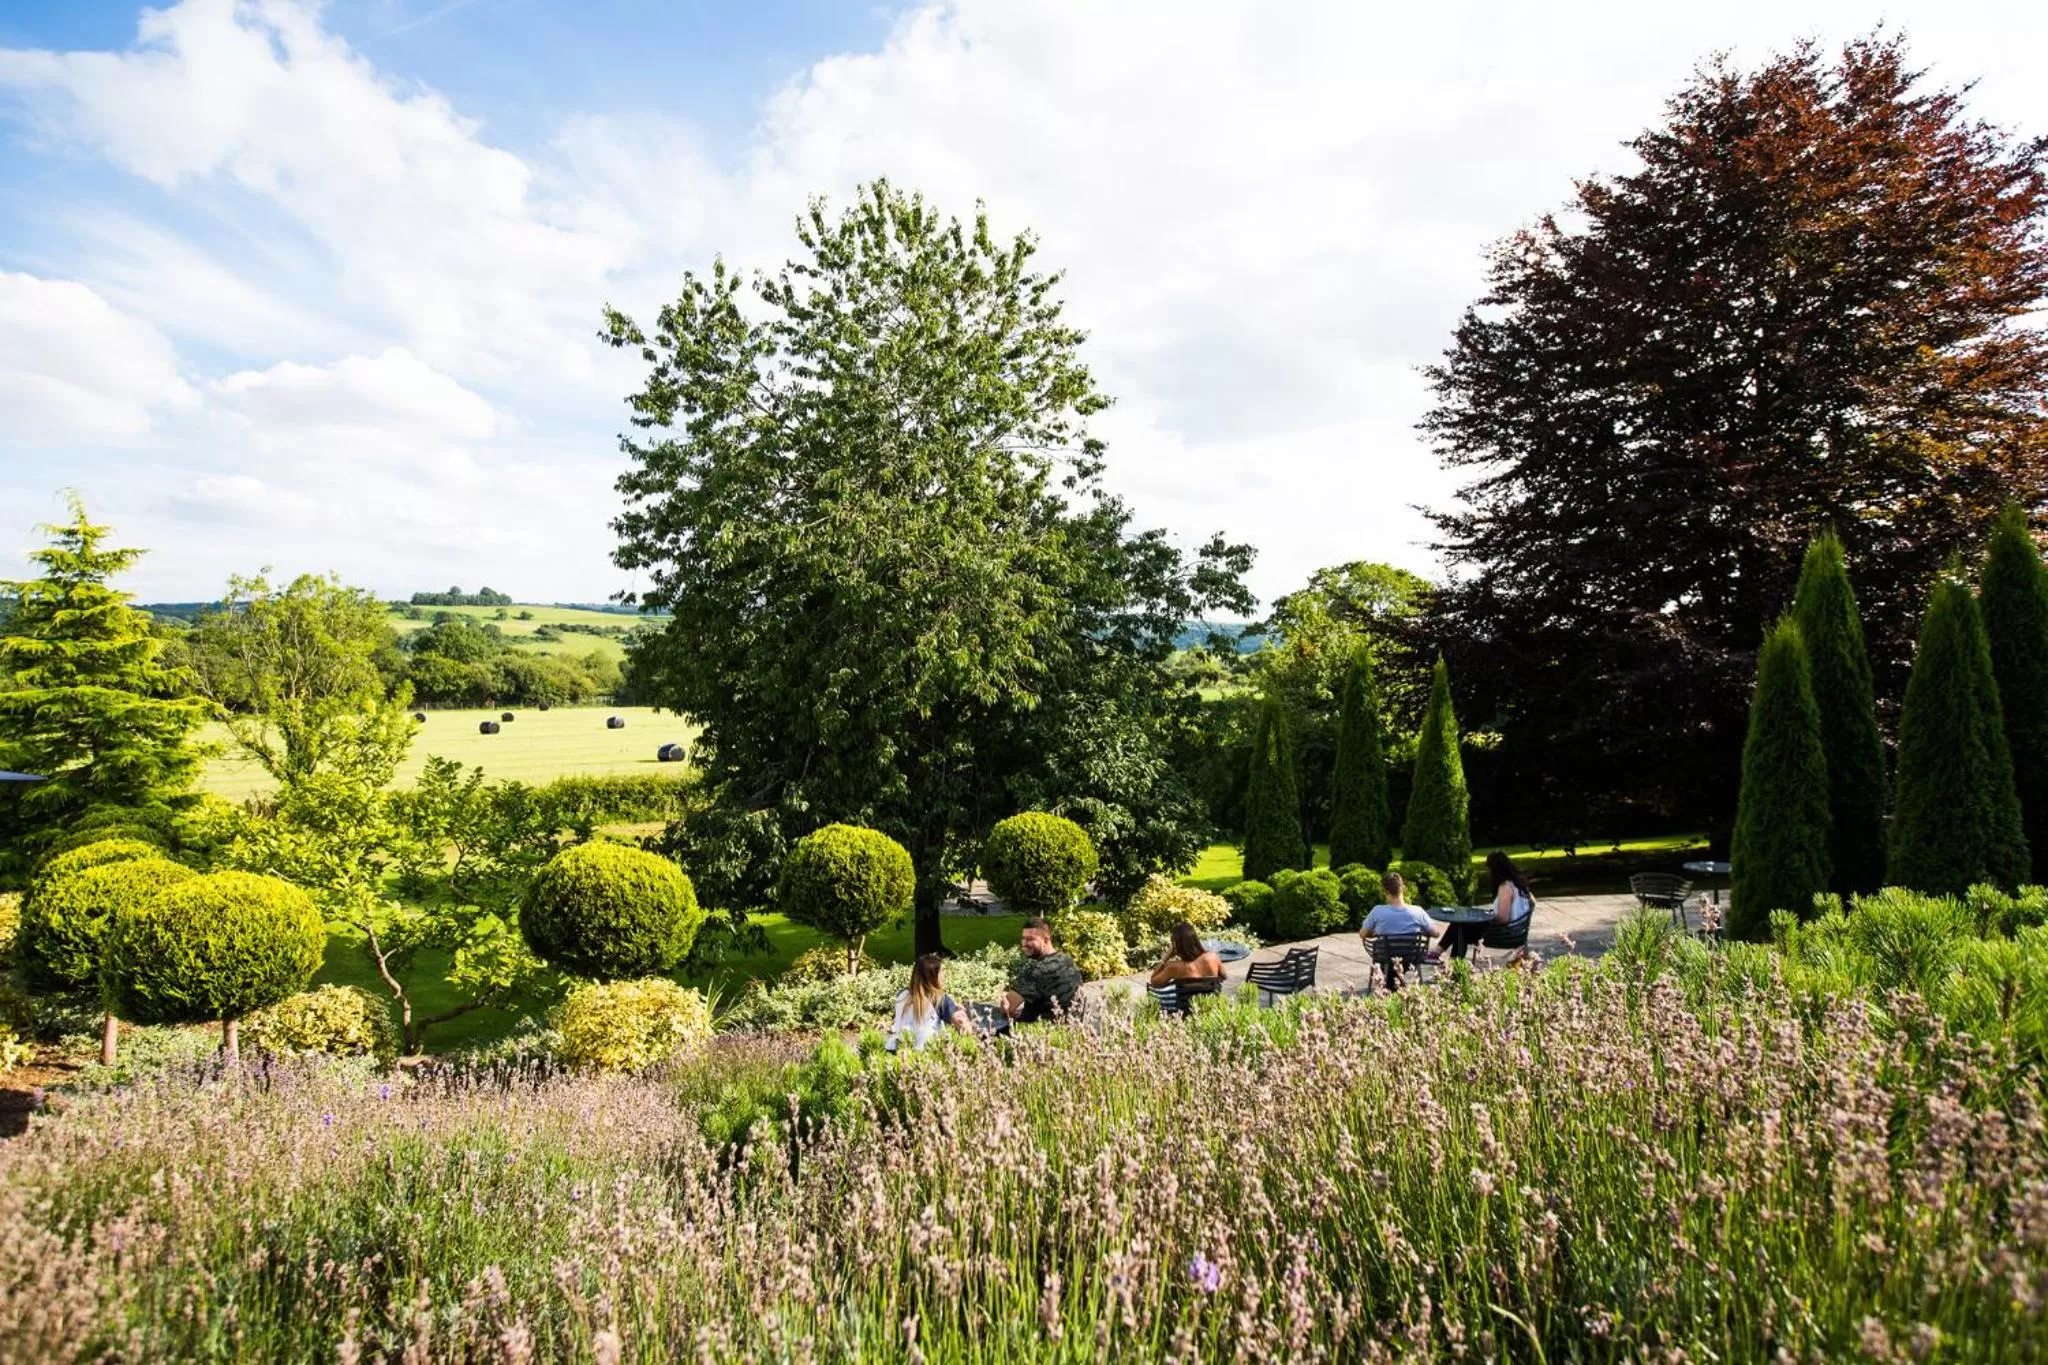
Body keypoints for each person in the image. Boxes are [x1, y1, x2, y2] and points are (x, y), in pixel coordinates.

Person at [1441, 850, 1535, 961]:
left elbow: (1503, 918)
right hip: (1515, 931)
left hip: (1504, 934)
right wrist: (1524, 916)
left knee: (1459, 927)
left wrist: (1487, 917)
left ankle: (1448, 961)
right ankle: (1446, 958)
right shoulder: (1519, 884)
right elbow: (1533, 902)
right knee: (1459, 928)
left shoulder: (1505, 887)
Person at [1358, 870, 1438, 989]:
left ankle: (1391, 986)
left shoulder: (1378, 911)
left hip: (1385, 956)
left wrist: (1375, 933)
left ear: (1385, 891)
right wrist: (1420, 931)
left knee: (1385, 953)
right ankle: (1398, 985)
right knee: (1405, 953)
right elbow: (1436, 933)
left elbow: (1362, 934)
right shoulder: (1417, 911)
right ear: (1403, 889)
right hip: (1410, 956)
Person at [1000, 917, 1084, 1023]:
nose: (1024, 943)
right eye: (1023, 938)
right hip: (1072, 1028)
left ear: (1046, 940)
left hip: (1040, 1033)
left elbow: (1007, 1008)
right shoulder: (1067, 959)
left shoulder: (1037, 970)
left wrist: (1003, 997)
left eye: (1030, 939)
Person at [887, 953, 972, 1052]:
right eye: (942, 971)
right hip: (925, 1055)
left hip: (895, 1049)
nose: (944, 975)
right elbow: (964, 1027)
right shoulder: (940, 999)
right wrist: (962, 1013)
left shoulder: (901, 995)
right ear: (935, 976)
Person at [1148, 921, 1224, 986]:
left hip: (1185, 1003)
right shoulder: (1213, 957)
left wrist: (1166, 957)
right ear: (1195, 940)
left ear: (1176, 946)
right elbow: (1224, 976)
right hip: (1210, 1002)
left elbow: (1153, 981)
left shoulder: (1174, 967)